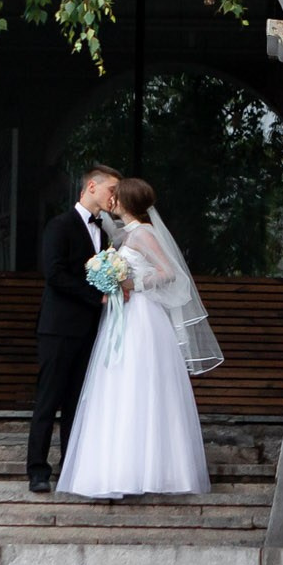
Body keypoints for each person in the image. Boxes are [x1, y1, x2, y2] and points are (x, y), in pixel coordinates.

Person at [54, 176, 216, 499]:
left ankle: (151, 470)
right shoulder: (125, 235)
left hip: (142, 316)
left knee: (138, 384)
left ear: (126, 202)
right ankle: (115, 468)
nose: (111, 200)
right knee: (116, 385)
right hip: (122, 315)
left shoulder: (143, 233)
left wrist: (135, 285)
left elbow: (170, 273)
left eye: (117, 196)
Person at [26, 164, 121, 494]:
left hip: (89, 331)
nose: (114, 198)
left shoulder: (106, 233)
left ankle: (71, 467)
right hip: (58, 328)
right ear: (92, 187)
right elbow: (54, 274)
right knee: (48, 399)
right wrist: (96, 296)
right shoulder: (60, 225)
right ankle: (38, 470)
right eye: (112, 190)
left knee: (77, 402)